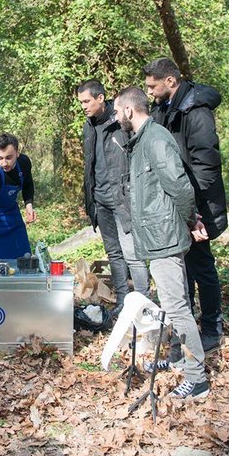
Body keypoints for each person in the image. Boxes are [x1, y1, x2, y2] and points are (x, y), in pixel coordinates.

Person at [114, 86, 209, 399]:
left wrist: (191, 219)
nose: (116, 117)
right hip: (157, 237)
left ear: (129, 110)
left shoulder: (155, 138)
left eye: (117, 111)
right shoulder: (142, 141)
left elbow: (180, 187)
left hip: (165, 236)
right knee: (175, 302)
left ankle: (197, 380)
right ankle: (181, 359)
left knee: (176, 307)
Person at [144, 57, 228, 351]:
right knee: (184, 269)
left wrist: (191, 209)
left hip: (198, 203)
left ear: (171, 81)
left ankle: (212, 329)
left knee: (202, 267)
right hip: (178, 203)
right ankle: (186, 326)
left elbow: (207, 165)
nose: (150, 92)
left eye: (153, 86)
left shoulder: (196, 111)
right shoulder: (162, 107)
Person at [77, 79, 150, 313]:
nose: (83, 106)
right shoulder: (88, 126)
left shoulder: (120, 121)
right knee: (114, 253)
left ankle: (143, 304)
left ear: (100, 98)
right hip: (100, 200)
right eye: (80, 102)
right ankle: (122, 302)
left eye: (87, 101)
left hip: (123, 200)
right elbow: (90, 164)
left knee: (133, 254)